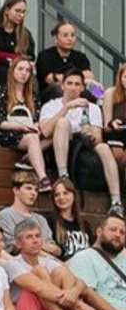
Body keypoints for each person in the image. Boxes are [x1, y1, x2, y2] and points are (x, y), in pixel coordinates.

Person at [40, 71, 123, 215]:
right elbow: (46, 131)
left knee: (103, 147)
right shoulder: (50, 106)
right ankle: (63, 176)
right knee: (62, 122)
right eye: (70, 83)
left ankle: (116, 201)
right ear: (62, 85)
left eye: (77, 84)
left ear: (83, 87)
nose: (73, 87)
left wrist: (91, 133)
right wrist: (67, 108)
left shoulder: (92, 107)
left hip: (83, 151)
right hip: (58, 150)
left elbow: (98, 138)